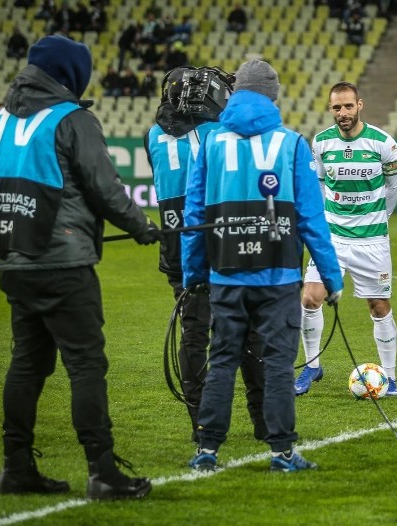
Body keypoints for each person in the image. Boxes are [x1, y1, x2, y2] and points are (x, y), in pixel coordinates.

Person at [0, 35, 157, 499]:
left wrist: (22, 218)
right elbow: (107, 192)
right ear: (71, 74)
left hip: (15, 262)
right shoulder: (72, 119)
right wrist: (142, 228)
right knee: (86, 365)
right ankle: (103, 472)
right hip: (65, 265)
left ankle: (16, 468)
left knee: (27, 365)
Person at [181, 59, 342, 472]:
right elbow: (311, 218)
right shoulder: (291, 144)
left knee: (221, 362)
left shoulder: (211, 142)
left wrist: (193, 274)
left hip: (225, 273)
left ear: (235, 94)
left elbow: (194, 216)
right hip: (279, 276)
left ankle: (207, 450)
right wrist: (332, 277)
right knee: (275, 365)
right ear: (272, 96)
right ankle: (282, 453)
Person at [146, 65, 267, 443]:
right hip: (218, 238)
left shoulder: (152, 134)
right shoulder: (218, 131)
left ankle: (201, 422)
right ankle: (263, 421)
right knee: (247, 332)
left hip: (174, 241)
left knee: (193, 333)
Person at [295, 81, 397, 397]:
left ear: (360, 104)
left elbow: (394, 188)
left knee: (379, 306)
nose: (342, 113)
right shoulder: (321, 143)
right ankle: (312, 366)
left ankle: (391, 377)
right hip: (332, 238)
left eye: (348, 106)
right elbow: (317, 186)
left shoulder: (384, 144)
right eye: (336, 108)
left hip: (372, 241)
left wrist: (379, 220)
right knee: (310, 297)